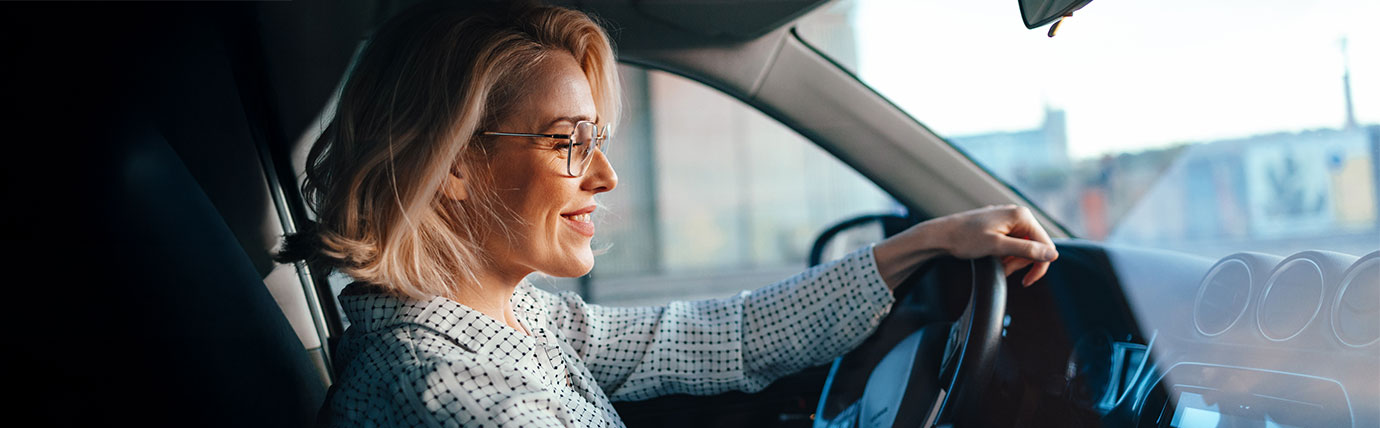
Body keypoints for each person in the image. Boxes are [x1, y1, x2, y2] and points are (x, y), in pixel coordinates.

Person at [276, 2, 1058, 426]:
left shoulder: (515, 323)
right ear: (451, 165)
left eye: (600, 141)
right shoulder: (455, 396)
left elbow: (725, 336)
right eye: (569, 143)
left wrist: (924, 243)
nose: (606, 176)